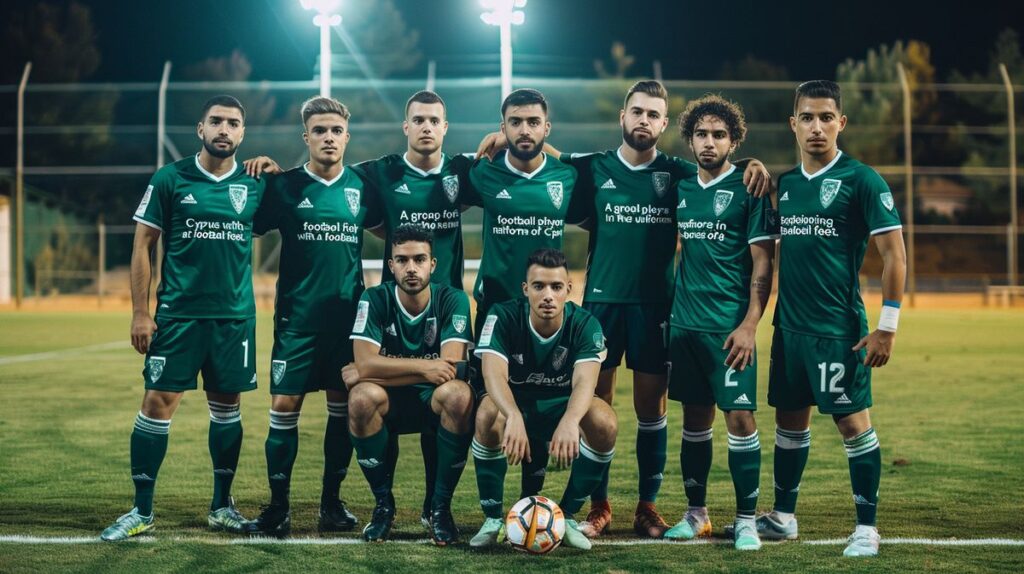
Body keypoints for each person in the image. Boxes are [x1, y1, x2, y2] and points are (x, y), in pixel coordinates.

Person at [475, 80, 771, 538]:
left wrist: (756, 165)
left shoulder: (678, 173)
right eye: (637, 112)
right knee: (598, 407)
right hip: (601, 307)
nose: (643, 121)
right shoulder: (593, 168)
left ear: (665, 124)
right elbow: (545, 152)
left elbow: (726, 169)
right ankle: (599, 507)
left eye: (653, 115)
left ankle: (647, 507)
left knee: (652, 411)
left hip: (658, 307)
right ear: (623, 116)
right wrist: (504, 138)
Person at [101, 95, 265, 541]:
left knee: (227, 408)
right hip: (177, 316)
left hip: (234, 320)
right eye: (216, 121)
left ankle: (221, 506)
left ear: (243, 133)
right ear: (200, 128)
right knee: (156, 404)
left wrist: (273, 169)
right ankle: (141, 510)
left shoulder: (256, 185)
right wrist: (140, 311)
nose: (224, 130)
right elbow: (142, 246)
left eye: (233, 123)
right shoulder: (171, 179)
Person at [754, 80, 906, 558]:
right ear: (793, 123)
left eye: (825, 117)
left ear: (841, 123)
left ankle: (866, 527)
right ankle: (783, 517)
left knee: (853, 425)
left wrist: (887, 326)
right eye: (807, 117)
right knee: (789, 422)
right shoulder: (788, 185)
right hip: (789, 330)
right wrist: (749, 166)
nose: (816, 127)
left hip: (838, 331)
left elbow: (895, 256)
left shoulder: (863, 180)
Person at [243, 96, 379, 537]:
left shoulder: (361, 187)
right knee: (284, 408)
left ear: (346, 136)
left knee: (341, 413)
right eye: (319, 131)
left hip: (346, 325)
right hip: (296, 323)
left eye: (336, 131)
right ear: (306, 137)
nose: (328, 138)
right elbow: (244, 224)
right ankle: (278, 506)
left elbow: (392, 228)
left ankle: (331, 504)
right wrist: (260, 170)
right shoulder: (283, 186)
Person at [660, 95, 778, 551]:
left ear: (734, 140)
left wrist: (750, 324)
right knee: (694, 420)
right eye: (701, 134)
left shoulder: (750, 189)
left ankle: (747, 519)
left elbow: (763, 267)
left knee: (741, 419)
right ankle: (696, 514)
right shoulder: (683, 187)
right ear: (689, 138)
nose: (709, 142)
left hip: (730, 331)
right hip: (685, 327)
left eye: (719, 135)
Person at [469, 248, 617, 551]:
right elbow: (493, 375)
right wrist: (512, 416)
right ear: (526, 289)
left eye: (556, 287)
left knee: (605, 422)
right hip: (517, 402)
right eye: (539, 286)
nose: (547, 295)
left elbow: (585, 383)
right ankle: (492, 518)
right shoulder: (502, 315)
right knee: (486, 413)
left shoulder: (585, 324)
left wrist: (570, 421)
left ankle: (568, 516)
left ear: (568, 290)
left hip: (560, 406)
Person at [345, 225, 475, 545]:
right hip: (390, 401)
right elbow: (365, 364)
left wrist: (373, 370)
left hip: (432, 400)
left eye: (419, 259)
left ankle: (440, 509)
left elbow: (448, 372)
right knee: (361, 398)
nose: (411, 268)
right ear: (391, 266)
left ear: (433, 264)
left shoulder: (453, 299)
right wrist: (423, 367)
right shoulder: (374, 298)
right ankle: (383, 506)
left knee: (459, 395)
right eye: (402, 260)